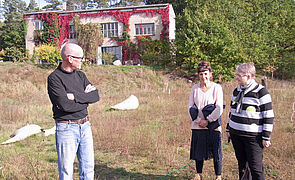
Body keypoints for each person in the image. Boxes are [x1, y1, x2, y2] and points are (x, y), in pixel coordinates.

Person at [47, 43, 100, 180]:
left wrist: (75, 96)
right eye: (80, 58)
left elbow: (95, 95)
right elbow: (65, 106)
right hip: (66, 128)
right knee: (66, 172)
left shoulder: (81, 75)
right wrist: (85, 100)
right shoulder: (54, 78)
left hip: (85, 126)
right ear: (70, 58)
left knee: (88, 169)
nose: (83, 60)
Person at [226, 63, 274, 180]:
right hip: (236, 134)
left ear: (248, 76)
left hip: (253, 137)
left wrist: (266, 137)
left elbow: (268, 115)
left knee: (256, 168)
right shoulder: (236, 91)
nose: (236, 77)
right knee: (242, 166)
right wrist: (228, 128)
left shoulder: (261, 92)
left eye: (239, 75)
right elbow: (232, 111)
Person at [188, 61, 223, 180]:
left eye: (206, 73)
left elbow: (219, 108)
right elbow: (190, 107)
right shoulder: (195, 88)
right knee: (198, 152)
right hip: (198, 126)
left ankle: (218, 176)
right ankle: (198, 174)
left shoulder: (217, 88)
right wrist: (199, 121)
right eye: (201, 74)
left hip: (213, 126)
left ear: (210, 74)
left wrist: (208, 120)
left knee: (216, 151)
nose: (204, 77)